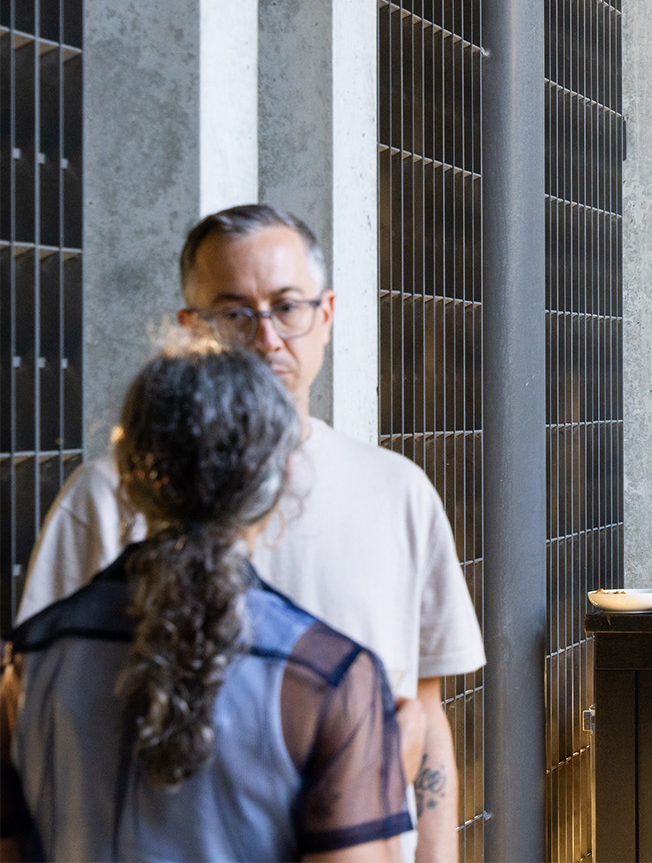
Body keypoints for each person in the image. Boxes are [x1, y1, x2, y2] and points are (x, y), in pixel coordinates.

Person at [14, 205, 483, 861]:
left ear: (326, 314)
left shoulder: (399, 491)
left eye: (287, 306)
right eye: (235, 312)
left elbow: (426, 718)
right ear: (190, 329)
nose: (266, 338)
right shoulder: (100, 496)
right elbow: (34, 705)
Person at [1, 338, 411, 861]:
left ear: (126, 472)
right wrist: (401, 753)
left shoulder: (24, 665)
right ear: (280, 478)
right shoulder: (327, 680)